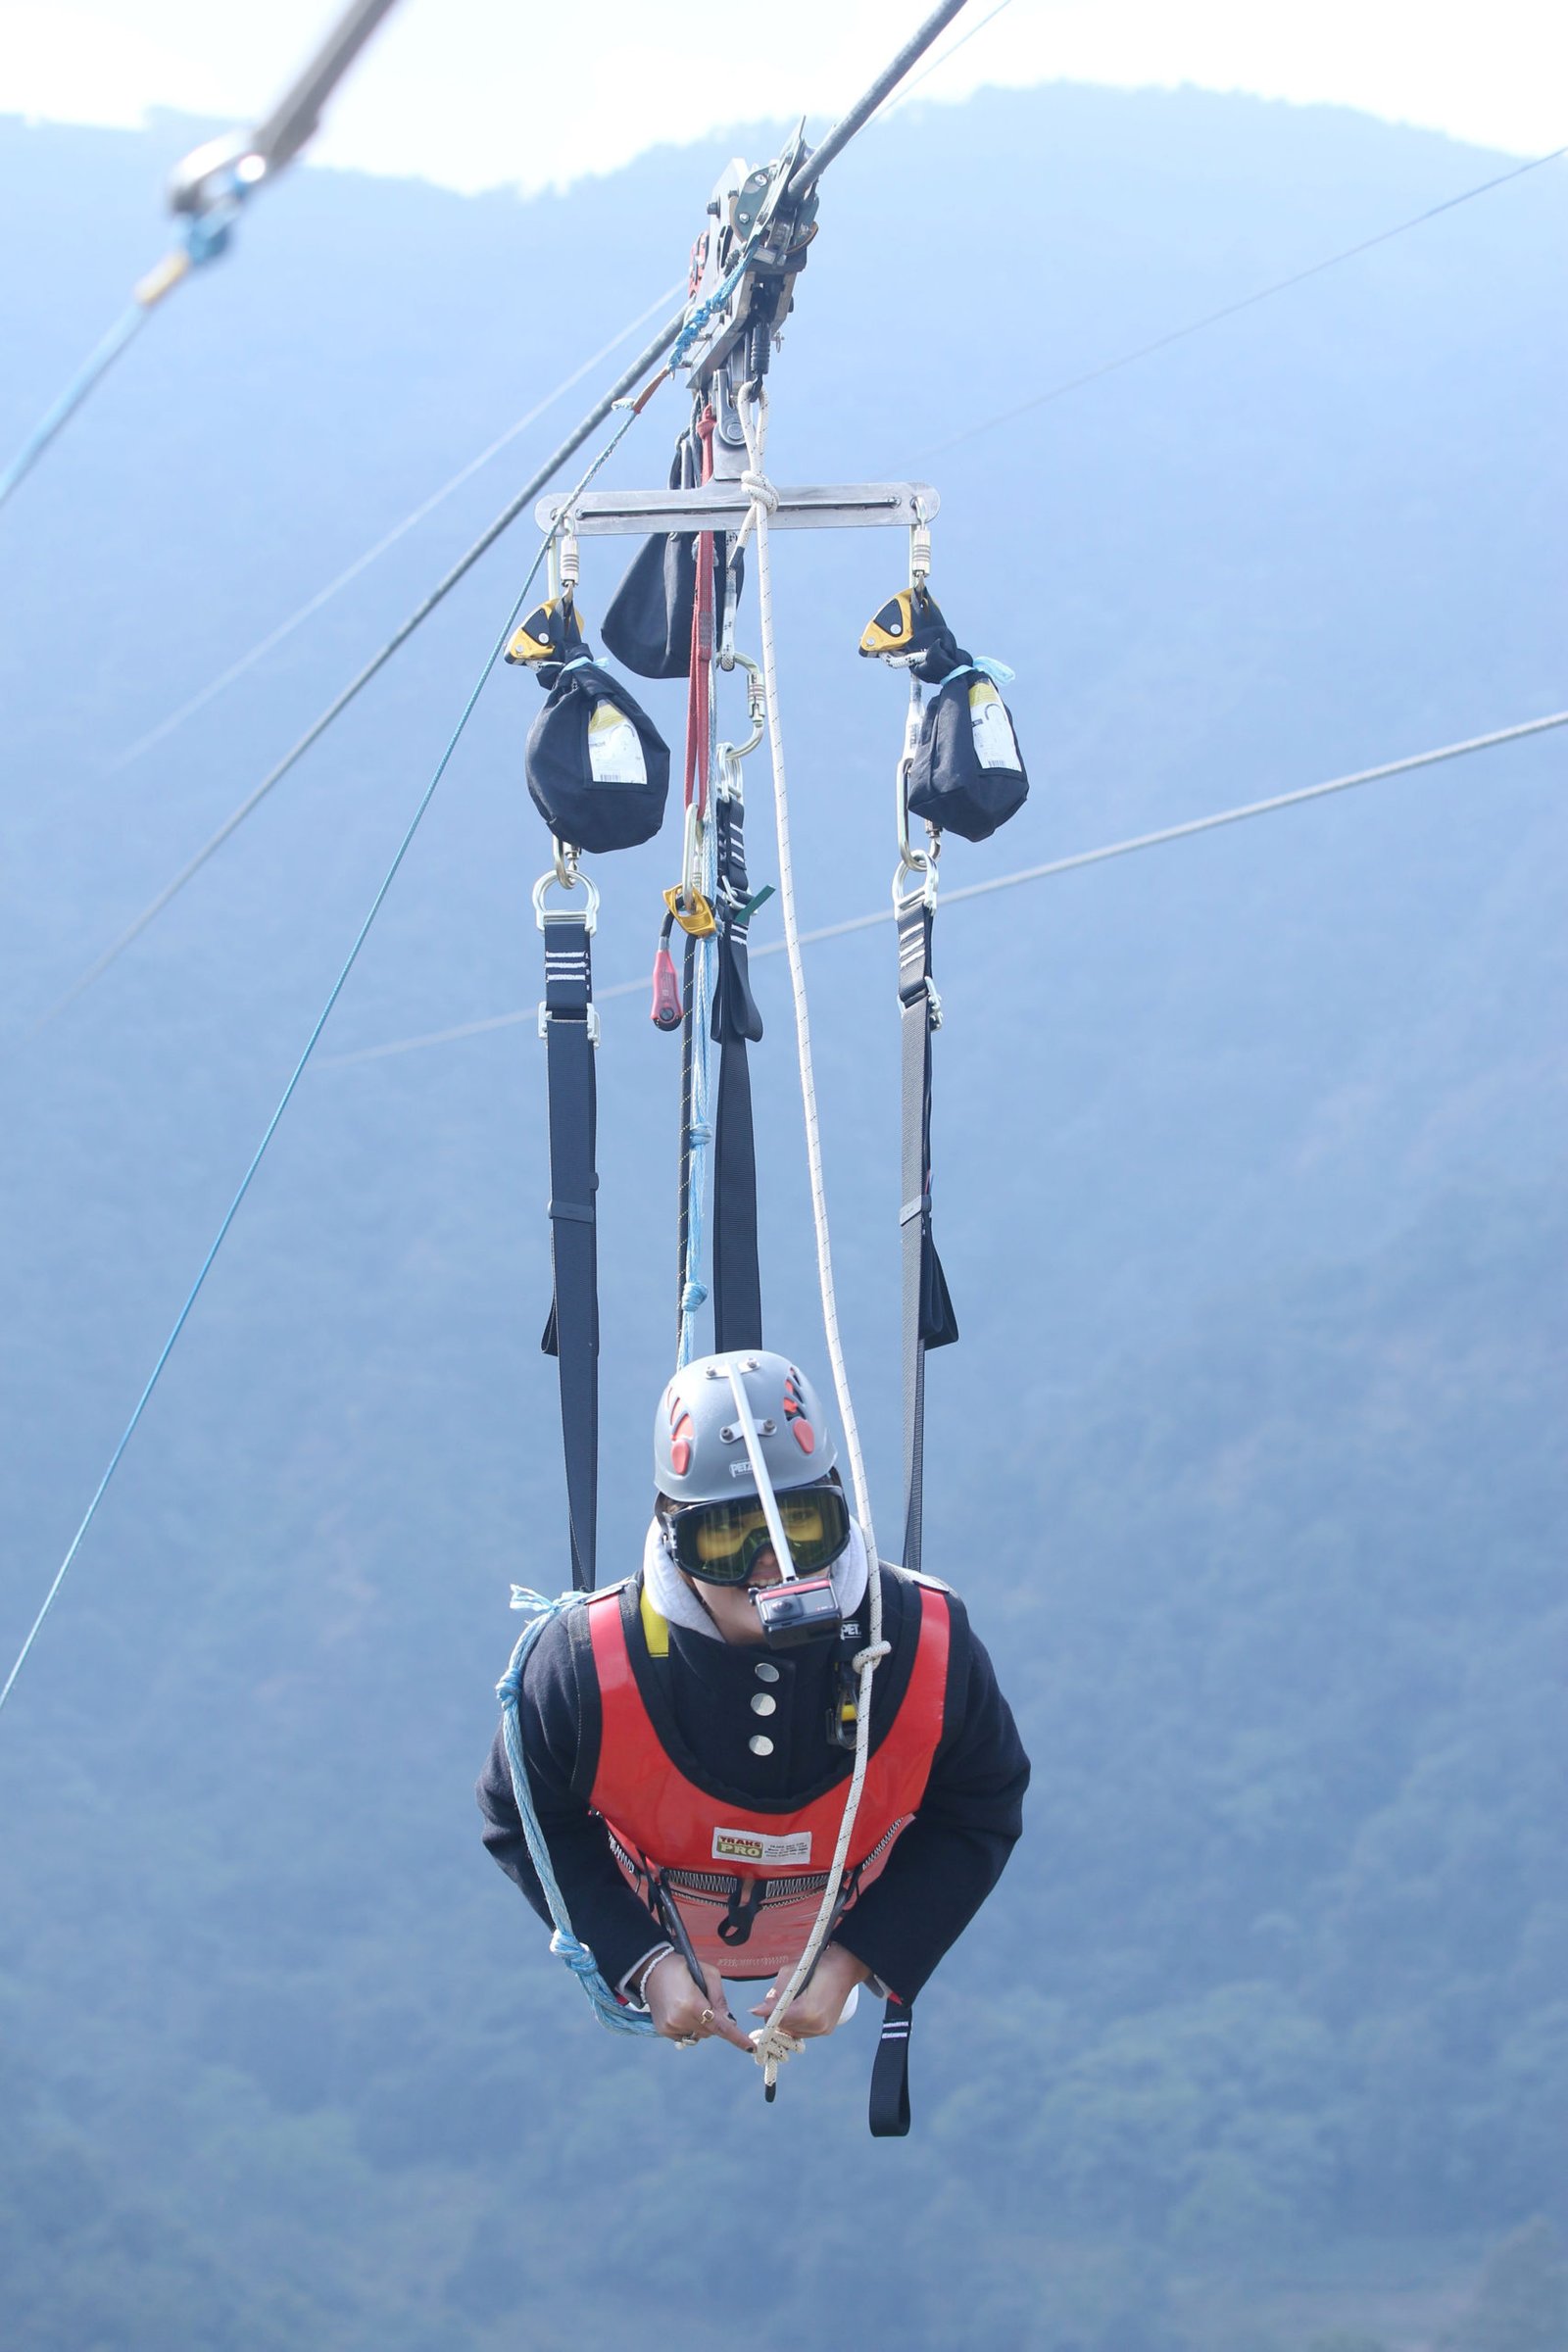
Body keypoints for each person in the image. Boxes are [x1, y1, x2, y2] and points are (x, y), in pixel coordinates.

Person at [477, 1348, 1028, 2075]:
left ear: (840, 1513)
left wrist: (856, 1958)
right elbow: (521, 1814)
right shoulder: (581, 1666)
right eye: (726, 1537)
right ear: (673, 1538)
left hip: (844, 1907)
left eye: (801, 1525)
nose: (772, 1564)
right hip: (663, 1913)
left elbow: (981, 1805)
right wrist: (641, 1960)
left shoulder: (925, 1646)